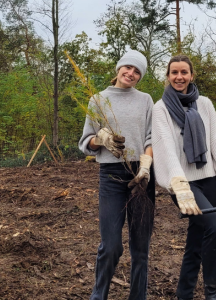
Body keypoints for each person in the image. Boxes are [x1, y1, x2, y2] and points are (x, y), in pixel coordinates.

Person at [151, 55, 216, 300]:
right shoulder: (160, 109)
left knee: (197, 238)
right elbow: (165, 148)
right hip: (184, 185)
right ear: (167, 76)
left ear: (191, 76)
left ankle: (184, 293)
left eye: (184, 72)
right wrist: (180, 186)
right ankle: (212, 293)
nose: (179, 77)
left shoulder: (204, 104)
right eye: (174, 72)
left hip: (208, 179)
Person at [78, 50, 155, 300]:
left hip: (141, 176)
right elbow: (86, 141)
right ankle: (98, 295)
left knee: (140, 248)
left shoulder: (145, 100)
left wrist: (146, 165)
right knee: (111, 246)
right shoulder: (98, 100)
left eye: (137, 72)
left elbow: (151, 136)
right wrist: (100, 139)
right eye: (128, 68)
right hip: (111, 175)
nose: (131, 74)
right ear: (119, 68)